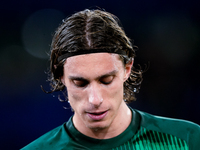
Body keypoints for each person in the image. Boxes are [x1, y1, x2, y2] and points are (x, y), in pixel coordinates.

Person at [21, 9, 200, 150]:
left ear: (127, 69)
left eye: (106, 80)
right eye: (80, 83)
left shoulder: (188, 140)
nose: (95, 100)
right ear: (61, 76)